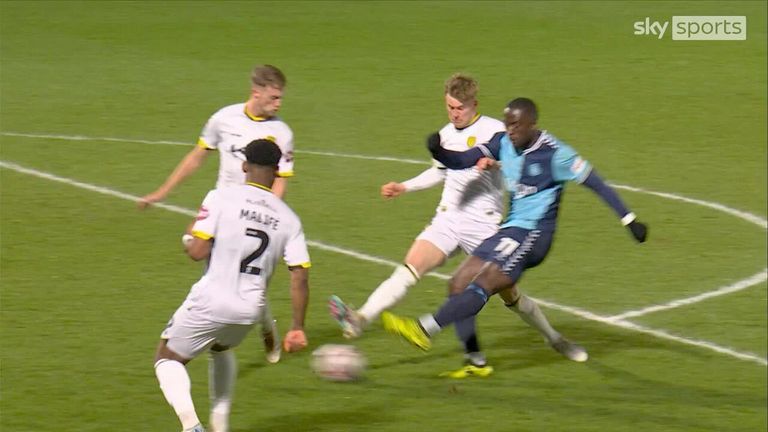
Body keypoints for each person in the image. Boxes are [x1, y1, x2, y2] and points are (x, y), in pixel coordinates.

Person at [330, 75, 588, 378]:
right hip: (448, 220)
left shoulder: (497, 131)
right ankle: (361, 318)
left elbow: (522, 168)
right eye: (450, 107)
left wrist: (494, 164)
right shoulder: (445, 134)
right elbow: (439, 171)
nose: (454, 114)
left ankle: (553, 338)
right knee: (409, 269)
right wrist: (404, 186)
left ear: (473, 104)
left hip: (484, 226)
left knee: (509, 295)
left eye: (460, 108)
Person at [381, 98, 648, 362]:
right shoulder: (503, 142)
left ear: (533, 124)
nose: (510, 131)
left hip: (535, 235)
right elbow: (462, 160)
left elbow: (597, 183)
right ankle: (502, 353)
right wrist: (438, 151)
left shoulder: (555, 154)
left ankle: (424, 329)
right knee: (458, 282)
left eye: (516, 125)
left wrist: (629, 220)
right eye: (507, 124)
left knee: (486, 282)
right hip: (510, 229)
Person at [140, 64, 295, 363]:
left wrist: (269, 213)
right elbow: (196, 157)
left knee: (237, 276)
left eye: (280, 98)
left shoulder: (282, 133)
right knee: (202, 252)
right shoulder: (224, 118)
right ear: (256, 92)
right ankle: (255, 326)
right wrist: (162, 192)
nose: (278, 104)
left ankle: (247, 329)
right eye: (273, 97)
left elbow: (281, 179)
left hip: (255, 216)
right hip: (222, 210)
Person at [153, 139, 311, 432]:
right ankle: (220, 424)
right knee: (221, 347)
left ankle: (191, 426)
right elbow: (299, 276)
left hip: (211, 300)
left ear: (244, 165)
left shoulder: (221, 197)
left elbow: (198, 252)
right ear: (277, 171)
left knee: (167, 359)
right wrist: (297, 327)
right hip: (249, 310)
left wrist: (189, 240)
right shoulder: (289, 219)